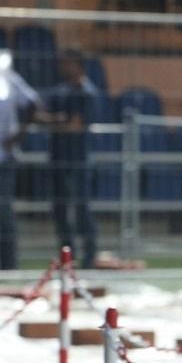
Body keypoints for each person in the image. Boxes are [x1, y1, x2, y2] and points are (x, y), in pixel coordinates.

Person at [47, 48, 98, 269]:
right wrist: (59, 122)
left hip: (78, 158)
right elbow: (44, 117)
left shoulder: (86, 92)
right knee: (59, 208)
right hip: (59, 157)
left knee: (81, 208)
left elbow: (75, 126)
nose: (63, 67)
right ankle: (67, 256)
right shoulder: (60, 91)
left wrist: (55, 122)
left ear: (78, 65)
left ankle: (89, 255)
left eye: (67, 63)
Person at [0, 49, 41, 270]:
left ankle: (8, 267)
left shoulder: (8, 78)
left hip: (4, 159)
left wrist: (18, 136)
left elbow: (33, 104)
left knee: (4, 213)